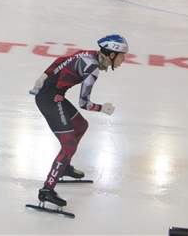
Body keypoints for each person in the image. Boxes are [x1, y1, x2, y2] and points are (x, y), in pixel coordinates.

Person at [30, 34, 127, 208]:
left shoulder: (89, 54)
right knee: (69, 146)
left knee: (81, 126)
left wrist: (44, 76)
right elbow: (84, 103)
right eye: (122, 56)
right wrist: (101, 108)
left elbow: (61, 59)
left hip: (54, 95)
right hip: (49, 99)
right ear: (111, 55)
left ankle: (64, 166)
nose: (123, 60)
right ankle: (47, 189)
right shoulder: (93, 68)